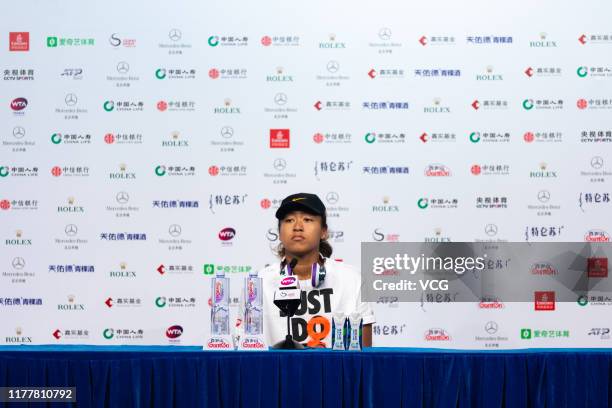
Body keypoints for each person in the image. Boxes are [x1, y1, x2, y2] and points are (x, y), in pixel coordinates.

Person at [258, 192, 375, 348]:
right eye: (289, 220)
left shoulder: (351, 278)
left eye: (307, 219)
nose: (298, 227)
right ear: (279, 233)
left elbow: (364, 355)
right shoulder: (259, 282)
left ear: (323, 231)